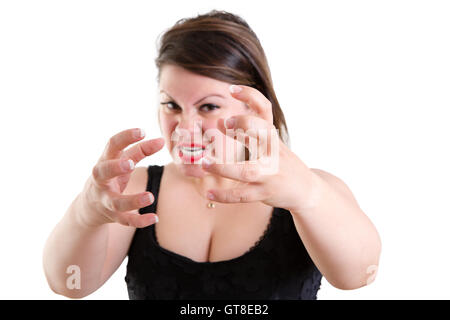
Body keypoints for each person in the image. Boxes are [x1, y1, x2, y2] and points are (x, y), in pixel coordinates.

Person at [43, 10, 381, 300]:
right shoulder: (134, 189)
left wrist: (309, 195)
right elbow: (69, 284)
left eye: (208, 106)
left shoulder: (309, 190)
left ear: (251, 104)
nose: (185, 127)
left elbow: (360, 276)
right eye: (171, 105)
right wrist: (85, 215)